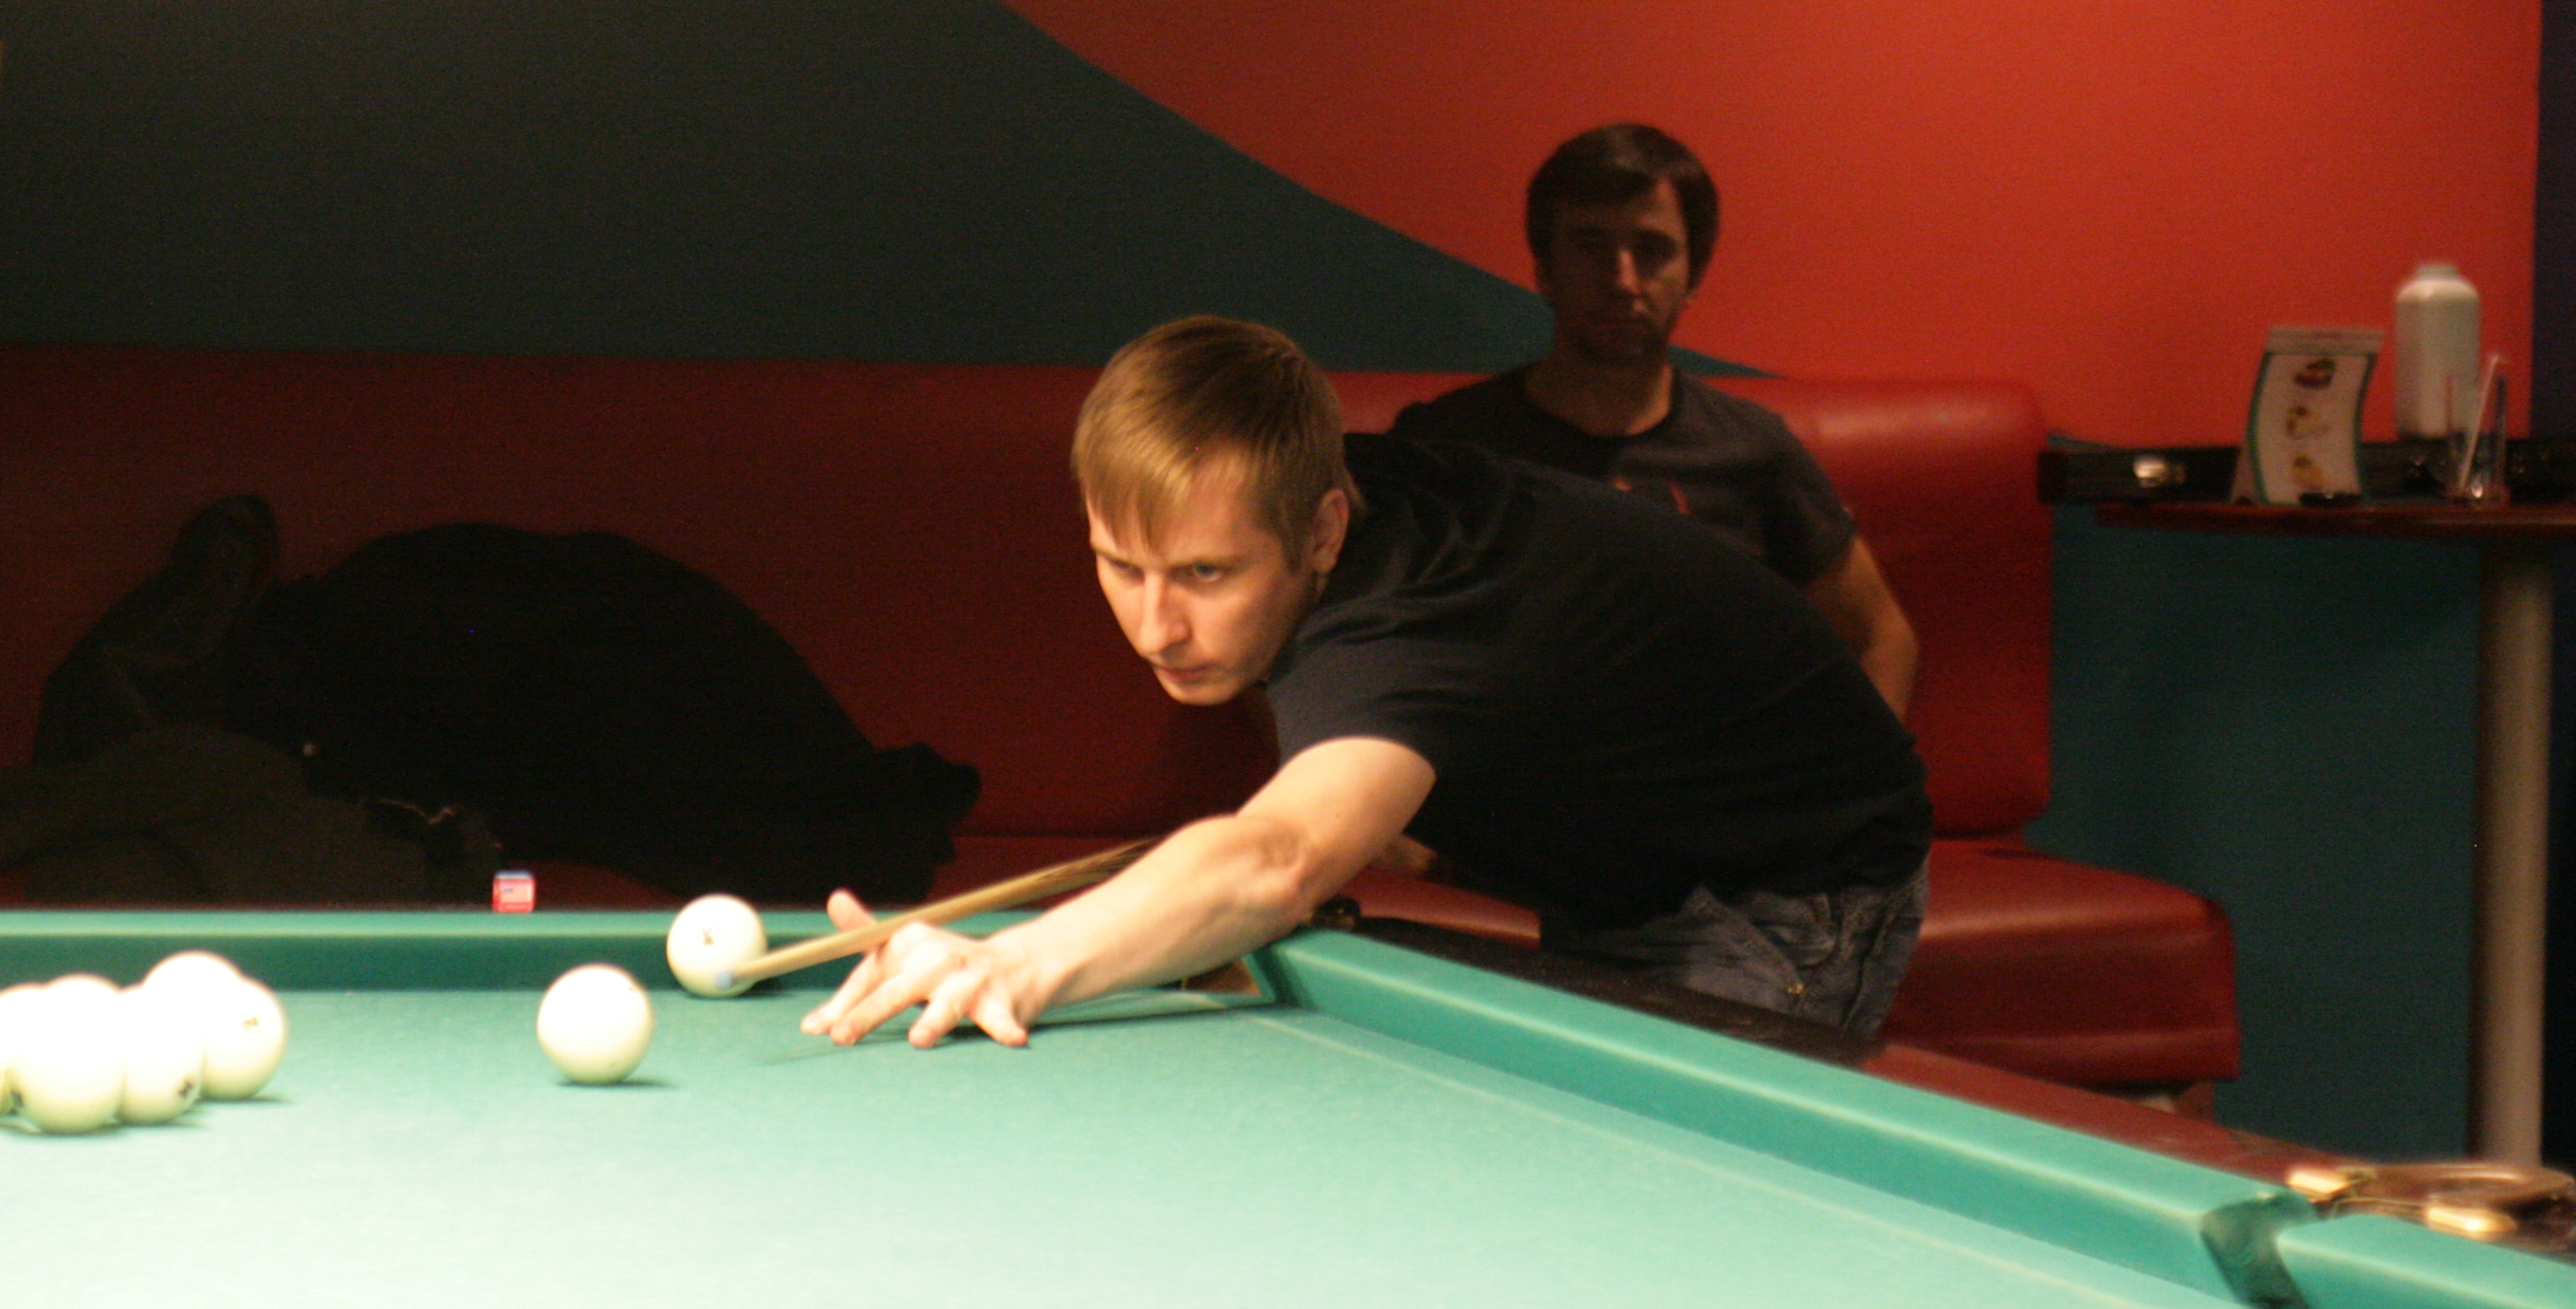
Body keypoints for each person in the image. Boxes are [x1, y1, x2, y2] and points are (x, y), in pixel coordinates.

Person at [803, 316, 1932, 1052]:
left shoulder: (1400, 623)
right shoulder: (1328, 501)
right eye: (1120, 564)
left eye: (1205, 573)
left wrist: (1017, 957)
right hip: (1637, 869)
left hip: (1791, 894)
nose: (1156, 624)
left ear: (1324, 529)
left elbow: (1276, 859)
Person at [1392, 124, 1917, 715]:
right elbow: (1341, 633)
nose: (1623, 281)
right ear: (1545, 269)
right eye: (1591, 246)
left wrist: (1858, 772)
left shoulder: (1752, 451)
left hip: (1708, 766)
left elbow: (1882, 638)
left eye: (1652, 249)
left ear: (1692, 277)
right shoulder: (1446, 448)